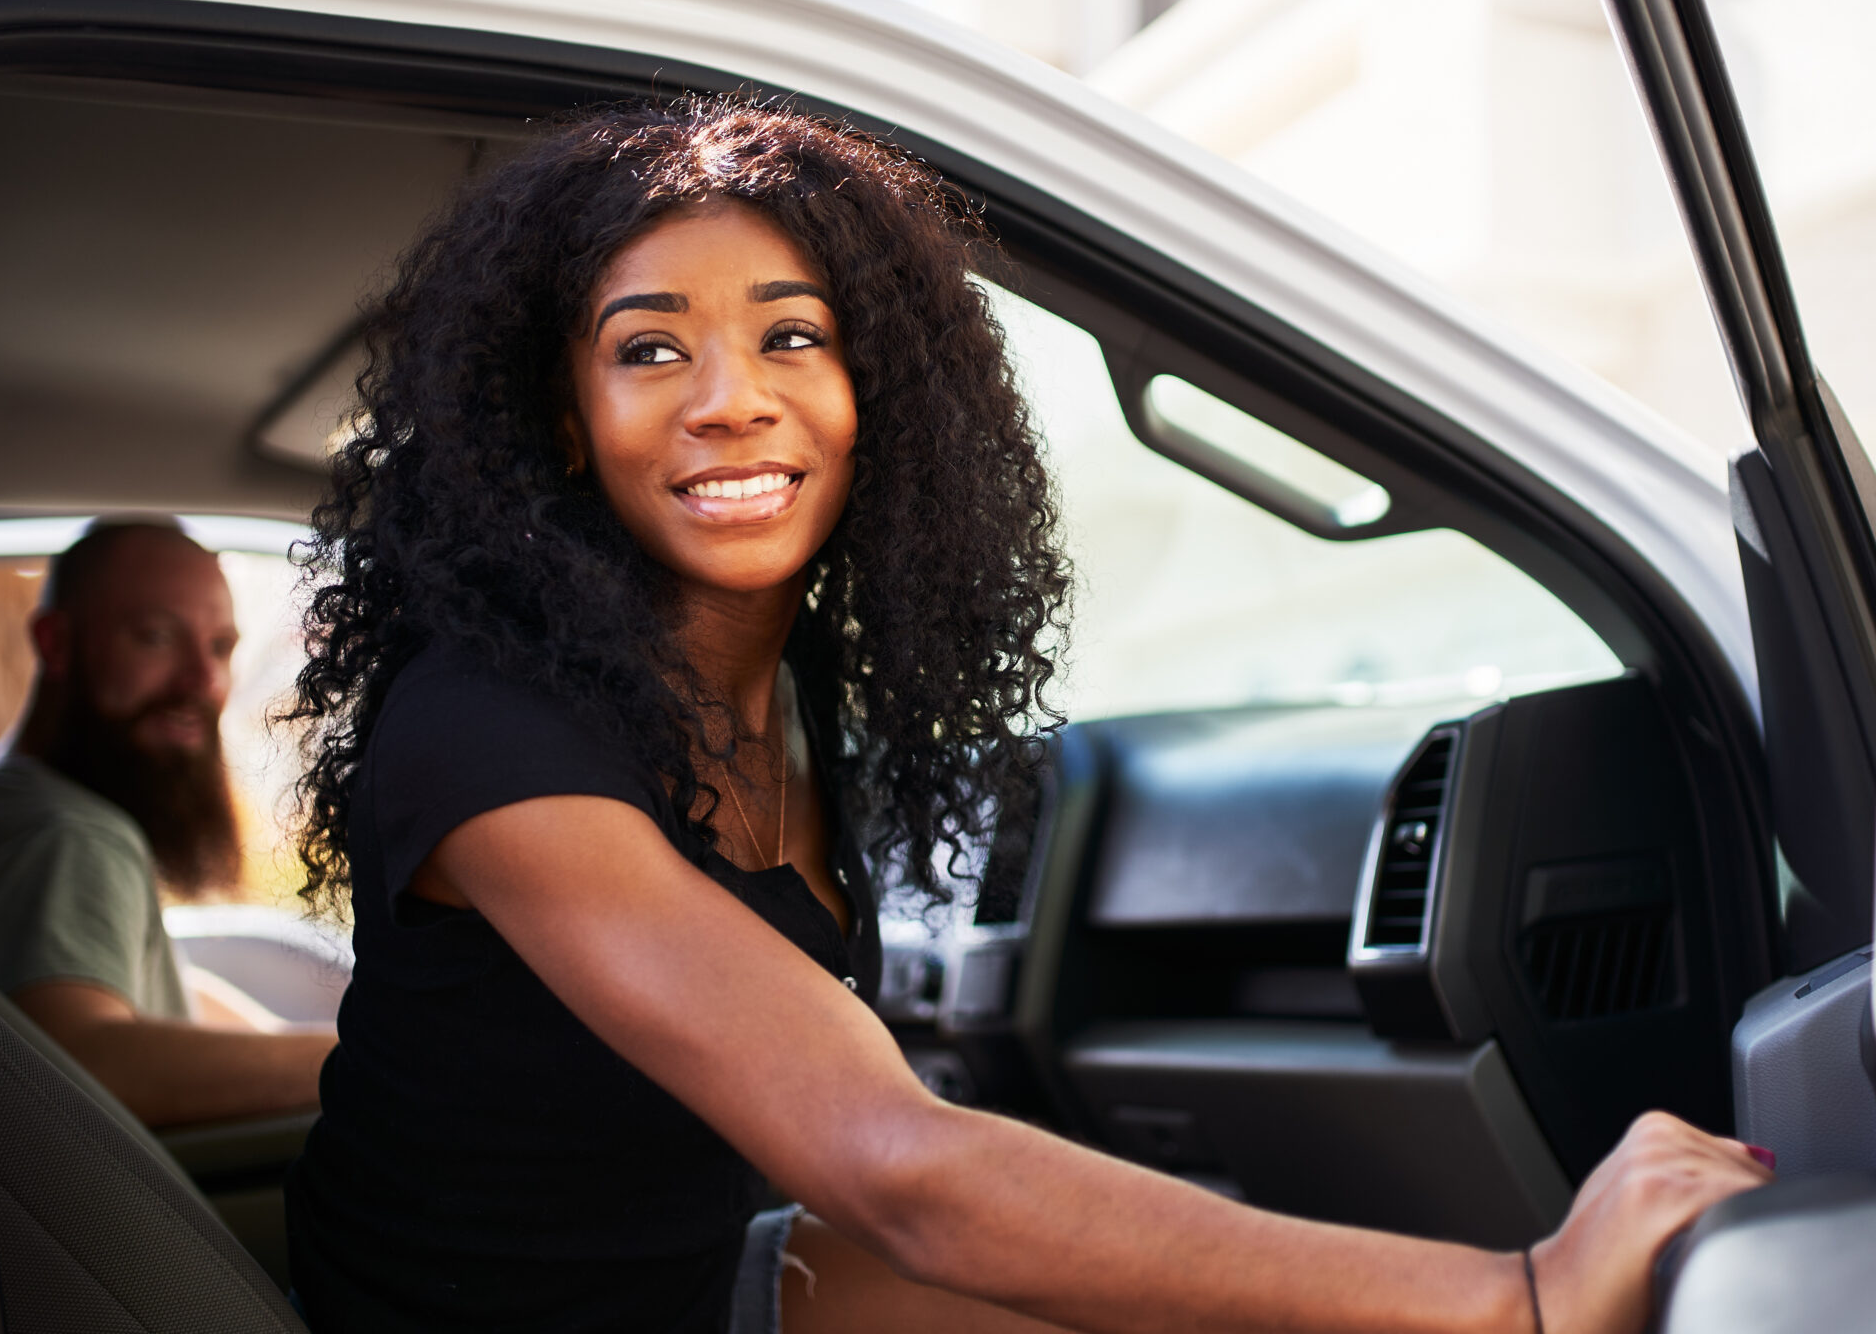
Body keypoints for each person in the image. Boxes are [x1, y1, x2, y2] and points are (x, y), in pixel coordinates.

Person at [280, 101, 1769, 1334]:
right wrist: (1521, 1292)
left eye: (792, 336)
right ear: (561, 423)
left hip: (692, 1284)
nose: (731, 399)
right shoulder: (486, 742)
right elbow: (901, 1166)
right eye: (649, 349)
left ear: (880, 392)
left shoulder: (782, 692)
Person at [0, 520, 336, 1127]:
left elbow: (138, 992)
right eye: (155, 637)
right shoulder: (68, 835)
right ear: (56, 644)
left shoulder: (0, 808)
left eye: (219, 648)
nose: (202, 681)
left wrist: (296, 1038)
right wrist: (364, 1061)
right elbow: (85, 1061)